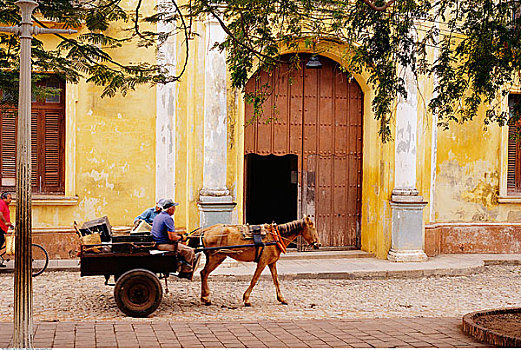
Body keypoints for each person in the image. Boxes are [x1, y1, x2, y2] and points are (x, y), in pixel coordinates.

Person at [150, 199, 201, 280]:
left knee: (184, 248)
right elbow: (172, 237)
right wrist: (182, 237)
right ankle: (185, 272)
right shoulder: (168, 218)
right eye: (174, 207)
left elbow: (169, 233)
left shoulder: (158, 216)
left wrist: (179, 235)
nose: (175, 210)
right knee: (189, 251)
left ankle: (182, 264)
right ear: (170, 208)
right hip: (164, 245)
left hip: (159, 243)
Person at [0, 192, 13, 267]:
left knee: (2, 241)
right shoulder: (1, 203)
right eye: (9, 198)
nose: (11, 200)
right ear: (4, 198)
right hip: (0, 227)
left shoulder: (6, 205)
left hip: (3, 227)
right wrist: (5, 222)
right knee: (1, 240)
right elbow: (0, 213)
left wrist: (10, 224)